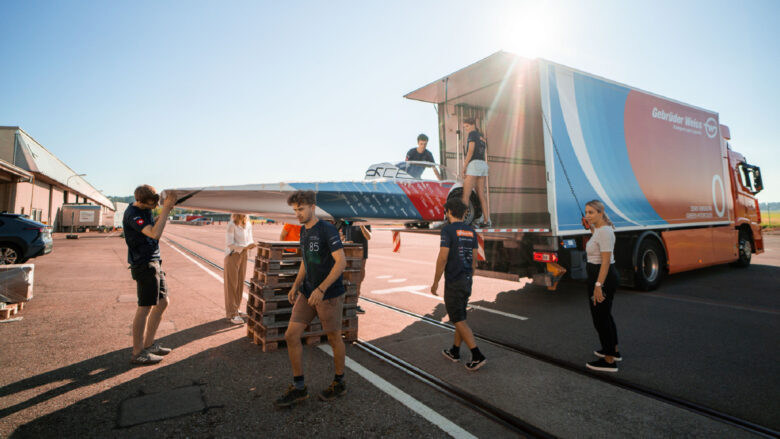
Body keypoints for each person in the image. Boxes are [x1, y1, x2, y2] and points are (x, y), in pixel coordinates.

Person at [275, 190, 348, 407]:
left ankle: (339, 382)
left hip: (329, 295)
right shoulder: (303, 232)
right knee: (291, 335)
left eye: (301, 209)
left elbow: (341, 262)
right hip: (308, 293)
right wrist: (296, 284)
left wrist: (322, 289)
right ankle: (299, 388)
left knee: (334, 338)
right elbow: (306, 261)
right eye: (295, 210)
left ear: (312, 207)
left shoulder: (326, 229)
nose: (297, 214)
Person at [123, 185, 177, 365]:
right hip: (144, 264)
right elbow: (154, 234)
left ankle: (149, 343)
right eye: (149, 206)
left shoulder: (145, 209)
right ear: (139, 201)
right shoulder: (133, 214)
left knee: (163, 302)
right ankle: (138, 352)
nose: (152, 209)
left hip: (154, 262)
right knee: (145, 307)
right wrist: (167, 209)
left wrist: (162, 209)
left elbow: (153, 223)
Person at [431, 198, 487, 371]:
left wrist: (435, 282)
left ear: (448, 212)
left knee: (458, 319)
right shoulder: (471, 231)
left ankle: (477, 355)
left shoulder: (447, 230)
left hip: (454, 280)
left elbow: (443, 258)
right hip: (466, 279)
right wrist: (469, 276)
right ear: (464, 213)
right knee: (460, 316)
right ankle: (454, 351)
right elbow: (475, 260)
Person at [583, 200, 621, 372]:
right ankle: (613, 350)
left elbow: (605, 262)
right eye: (586, 212)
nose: (588, 215)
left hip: (601, 276)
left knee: (601, 318)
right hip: (598, 276)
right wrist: (589, 227)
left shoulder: (605, 232)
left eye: (591, 212)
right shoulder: (598, 229)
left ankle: (609, 361)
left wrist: (598, 285)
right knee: (605, 315)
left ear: (600, 212)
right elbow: (596, 242)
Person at [224, 213, 256, 324]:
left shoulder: (248, 224)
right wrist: (244, 247)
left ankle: (236, 309)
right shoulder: (231, 225)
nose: (245, 214)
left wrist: (252, 245)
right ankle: (232, 314)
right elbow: (230, 243)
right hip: (233, 254)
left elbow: (250, 239)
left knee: (240, 283)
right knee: (232, 284)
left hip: (244, 254)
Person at [461, 118, 490, 227]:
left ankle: (461, 220)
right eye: (465, 127)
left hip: (474, 164)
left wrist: (464, 166)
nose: (466, 129)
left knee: (465, 194)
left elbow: (470, 151)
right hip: (483, 164)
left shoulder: (472, 134)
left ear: (473, 125)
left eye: (467, 126)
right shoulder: (481, 137)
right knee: (481, 194)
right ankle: (487, 220)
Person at [340, 222, 371, 314]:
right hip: (348, 254)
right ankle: (345, 303)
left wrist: (362, 226)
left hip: (361, 255)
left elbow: (369, 237)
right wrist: (343, 240)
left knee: (359, 279)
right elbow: (341, 238)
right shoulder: (345, 221)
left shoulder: (365, 221)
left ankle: (354, 304)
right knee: (346, 279)